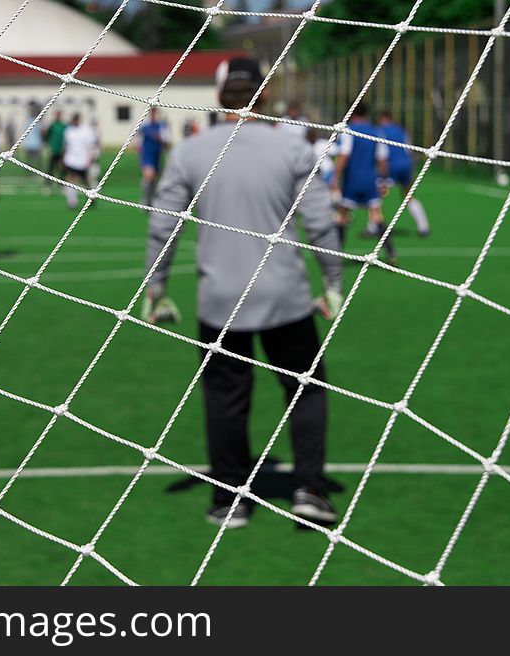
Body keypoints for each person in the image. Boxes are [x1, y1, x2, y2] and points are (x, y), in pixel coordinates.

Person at [143, 57, 344, 529]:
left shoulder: (190, 151)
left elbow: (162, 226)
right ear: (265, 94)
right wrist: (333, 283)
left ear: (218, 97)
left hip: (221, 300)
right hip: (285, 297)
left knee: (225, 397)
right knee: (305, 390)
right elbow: (321, 223)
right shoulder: (292, 148)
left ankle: (229, 498)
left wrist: (156, 287)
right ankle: (310, 489)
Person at [332, 102, 396, 264]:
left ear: (351, 113)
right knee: (376, 216)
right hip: (370, 181)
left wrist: (335, 177)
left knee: (342, 216)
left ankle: (336, 255)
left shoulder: (348, 131)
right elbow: (382, 159)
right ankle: (391, 254)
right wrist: (384, 181)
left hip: (352, 181)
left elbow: (344, 155)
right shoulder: (376, 132)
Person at [377, 110, 430, 236]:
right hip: (406, 165)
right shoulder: (401, 130)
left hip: (391, 166)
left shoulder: (380, 131)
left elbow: (381, 152)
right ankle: (423, 227)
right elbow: (409, 148)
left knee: (376, 195)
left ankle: (373, 226)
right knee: (408, 195)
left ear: (384, 118)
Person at [61, 113, 97, 209]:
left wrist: (90, 159)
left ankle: (91, 199)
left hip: (83, 161)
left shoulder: (86, 130)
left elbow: (91, 146)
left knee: (86, 182)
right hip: (71, 160)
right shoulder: (68, 130)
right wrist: (64, 158)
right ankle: (72, 201)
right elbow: (66, 145)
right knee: (70, 179)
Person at [137, 107, 171, 206]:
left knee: (154, 179)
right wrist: (138, 146)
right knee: (149, 176)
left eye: (155, 113)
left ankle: (151, 199)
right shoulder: (144, 125)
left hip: (157, 155)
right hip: (147, 154)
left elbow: (167, 141)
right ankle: (146, 199)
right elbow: (136, 136)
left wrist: (161, 139)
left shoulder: (162, 126)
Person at [44, 110, 67, 193]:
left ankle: (61, 186)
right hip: (54, 151)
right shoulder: (52, 126)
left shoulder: (64, 126)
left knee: (63, 170)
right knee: (51, 169)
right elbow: (47, 137)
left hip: (62, 152)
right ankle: (48, 186)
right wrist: (49, 147)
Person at [21, 105, 44, 173]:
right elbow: (41, 131)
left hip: (32, 143)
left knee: (31, 159)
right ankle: (35, 171)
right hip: (35, 143)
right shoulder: (37, 121)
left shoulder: (30, 121)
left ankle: (30, 171)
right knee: (35, 159)